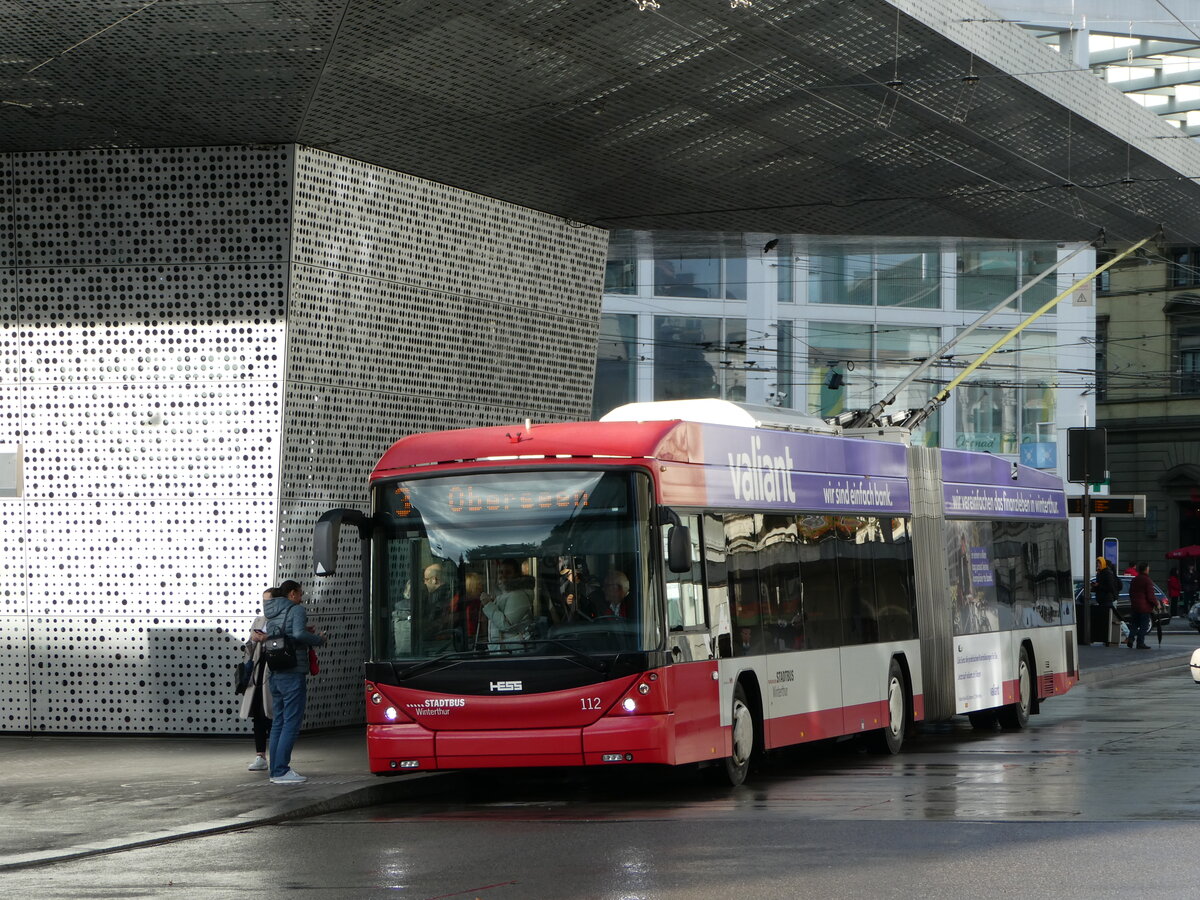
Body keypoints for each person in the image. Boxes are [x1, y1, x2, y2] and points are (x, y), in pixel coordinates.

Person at [264, 579, 326, 784]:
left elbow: (284, 633)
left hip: (275, 671)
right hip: (292, 670)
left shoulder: (271, 611)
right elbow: (298, 634)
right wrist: (319, 639)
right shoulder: (296, 610)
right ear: (291, 594)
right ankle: (281, 770)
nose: (301, 597)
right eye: (300, 593)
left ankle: (275, 770)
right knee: (291, 721)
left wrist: (302, 631)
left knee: (278, 722)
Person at [240, 588, 275, 771]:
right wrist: (254, 639)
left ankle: (277, 756)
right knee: (258, 715)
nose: (265, 605)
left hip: (273, 670)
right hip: (257, 671)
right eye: (263, 601)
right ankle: (260, 755)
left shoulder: (282, 619)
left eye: (269, 601)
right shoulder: (259, 620)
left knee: (272, 714)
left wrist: (266, 639)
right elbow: (248, 648)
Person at [480, 559, 534, 648]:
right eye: (501, 572)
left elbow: (506, 625)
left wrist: (488, 605)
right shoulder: (505, 593)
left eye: (508, 572)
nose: (503, 576)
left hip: (513, 651)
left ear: (516, 575)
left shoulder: (518, 595)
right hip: (505, 649)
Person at [1092, 558, 1121, 647]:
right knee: (1104, 619)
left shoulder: (1107, 573)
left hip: (1106, 599)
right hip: (1101, 599)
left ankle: (1108, 638)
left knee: (1108, 619)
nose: (1098, 565)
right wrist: (1095, 587)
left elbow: (1110, 587)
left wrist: (1098, 586)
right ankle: (1105, 637)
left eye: (1099, 563)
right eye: (1097, 563)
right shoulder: (1099, 573)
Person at [1127, 563, 1155, 650]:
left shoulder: (1134, 579)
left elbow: (1130, 592)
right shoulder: (1147, 580)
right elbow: (1150, 595)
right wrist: (1156, 603)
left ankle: (1130, 638)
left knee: (1134, 624)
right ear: (1146, 569)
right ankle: (1140, 642)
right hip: (1144, 607)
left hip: (1135, 606)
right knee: (1144, 626)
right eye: (1148, 568)